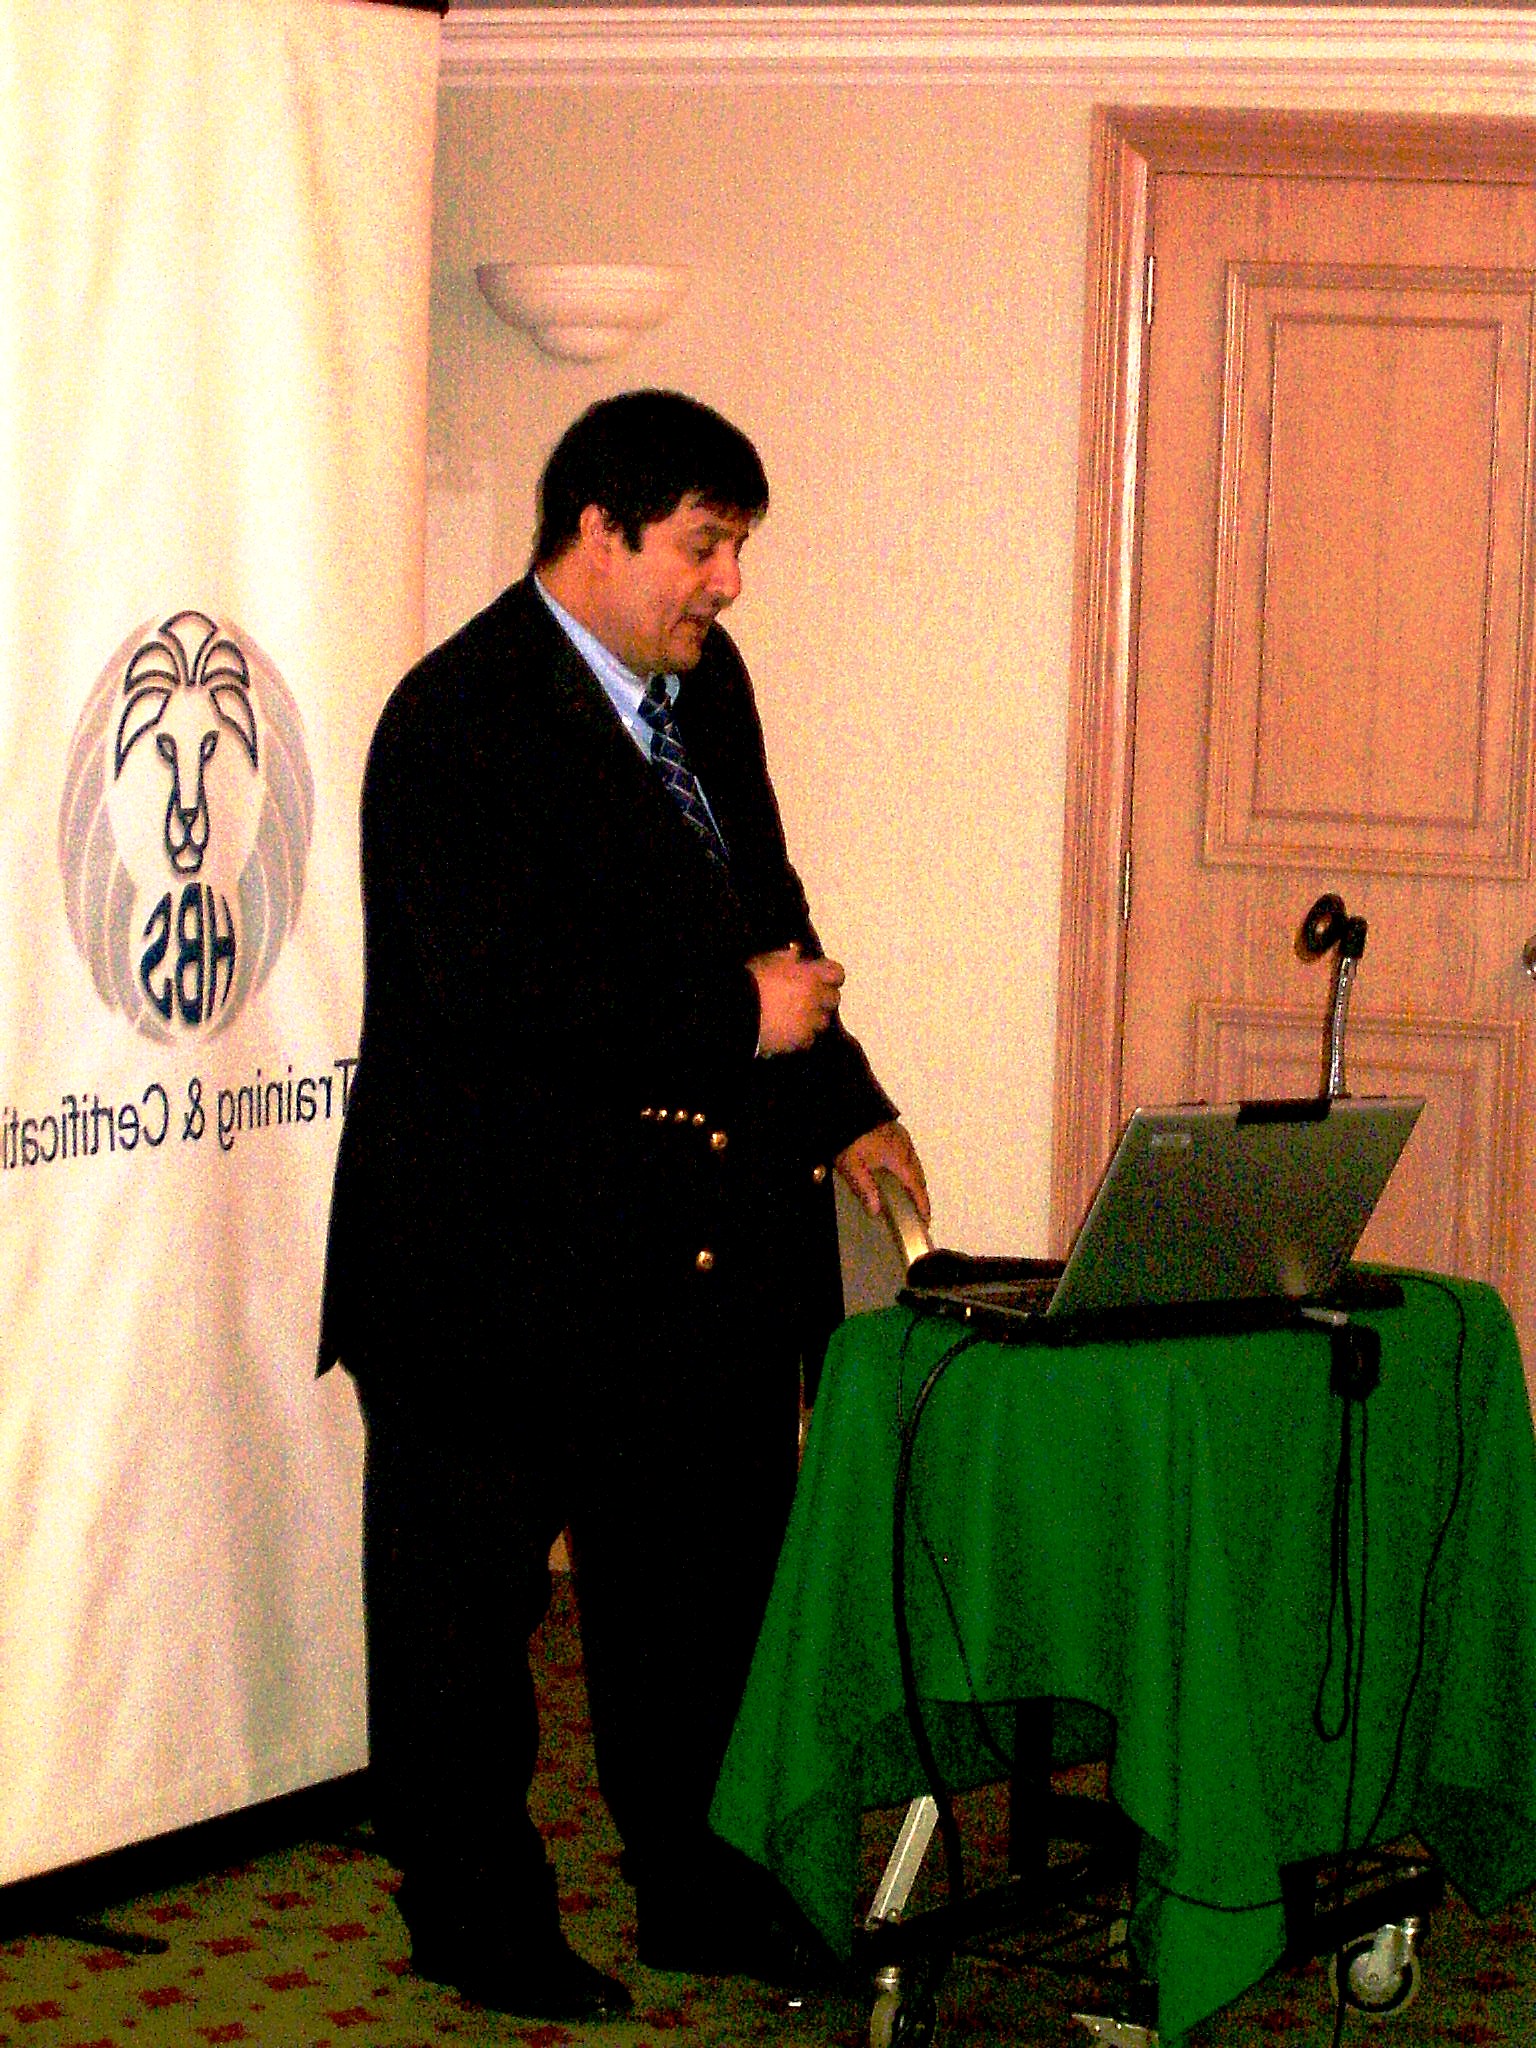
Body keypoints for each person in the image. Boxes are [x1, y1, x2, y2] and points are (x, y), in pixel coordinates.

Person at [317, 389, 928, 2022]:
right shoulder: (458, 719)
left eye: (737, 549)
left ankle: (695, 1888)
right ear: (598, 529)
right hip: (487, 1256)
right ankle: (473, 1917)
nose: (729, 584)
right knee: (464, 1621)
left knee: (692, 1595)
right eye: (704, 547)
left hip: (684, 1253)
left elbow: (767, 911)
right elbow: (494, 995)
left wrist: (847, 1101)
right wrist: (736, 1018)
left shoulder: (704, 687)